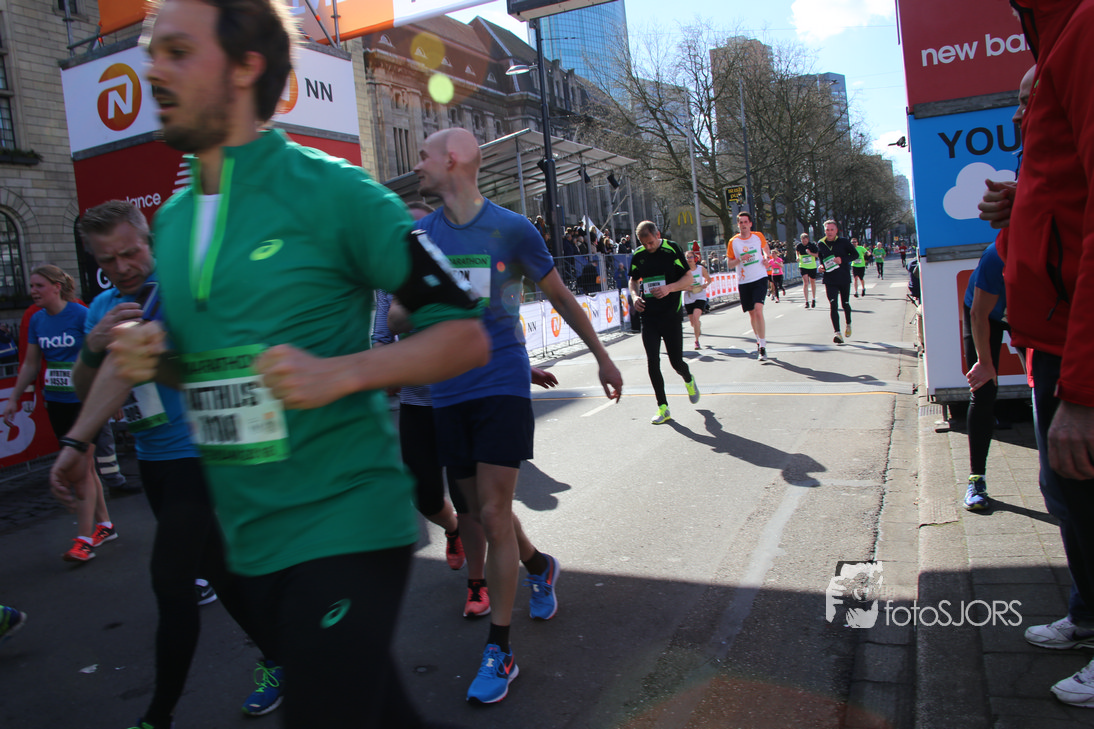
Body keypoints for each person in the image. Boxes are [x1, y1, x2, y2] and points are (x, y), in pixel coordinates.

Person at [84, 1, 491, 725]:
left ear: (245, 67)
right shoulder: (173, 224)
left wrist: (342, 372)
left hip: (343, 523)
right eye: (153, 53)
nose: (153, 70)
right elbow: (211, 373)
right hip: (252, 538)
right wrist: (160, 363)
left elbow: (464, 335)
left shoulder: (335, 192)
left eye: (178, 51)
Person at [50, 200, 285, 728]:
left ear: (148, 241)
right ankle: (281, 656)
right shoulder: (103, 306)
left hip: (202, 455)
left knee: (171, 581)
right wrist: (94, 345)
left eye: (130, 253)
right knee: (217, 570)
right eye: (107, 260)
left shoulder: (183, 291)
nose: (122, 267)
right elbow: (89, 389)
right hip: (153, 459)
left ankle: (158, 716)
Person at [413, 127, 622, 704]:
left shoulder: (511, 229)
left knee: (493, 511)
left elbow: (559, 297)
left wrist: (603, 357)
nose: (417, 165)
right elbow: (406, 314)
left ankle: (500, 651)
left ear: (453, 159)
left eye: (425, 155)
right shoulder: (423, 237)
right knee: (482, 515)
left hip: (501, 385)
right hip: (447, 394)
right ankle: (539, 565)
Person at [993, 10, 1094, 704]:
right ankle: (1088, 615)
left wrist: (1082, 393)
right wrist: (1019, 206)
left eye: (1028, 99)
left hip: (1074, 349)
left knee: (1084, 495)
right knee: (1066, 498)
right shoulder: (1056, 32)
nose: (1018, 110)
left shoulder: (1080, 27)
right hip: (1052, 342)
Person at [2, 264, 114, 563]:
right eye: (31, 286)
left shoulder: (81, 314)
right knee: (85, 469)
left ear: (56, 286)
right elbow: (30, 364)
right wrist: (14, 398)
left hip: (85, 402)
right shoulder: (37, 320)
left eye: (39, 285)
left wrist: (110, 396)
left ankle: (83, 540)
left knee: (79, 468)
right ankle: (105, 525)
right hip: (57, 402)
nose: (33, 291)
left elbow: (102, 355)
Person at [629, 221, 699, 424]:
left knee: (676, 362)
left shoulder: (672, 249)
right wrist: (634, 296)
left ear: (658, 235)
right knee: (653, 361)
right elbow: (633, 280)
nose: (648, 247)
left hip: (670, 315)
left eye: (651, 242)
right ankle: (663, 407)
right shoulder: (639, 255)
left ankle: (688, 379)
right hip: (649, 316)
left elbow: (688, 279)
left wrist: (669, 288)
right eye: (644, 244)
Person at [961, 241, 1008, 511]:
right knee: (984, 388)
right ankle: (976, 479)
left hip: (1029, 313)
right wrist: (986, 363)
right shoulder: (997, 254)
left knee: (1044, 385)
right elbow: (978, 313)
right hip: (984, 313)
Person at [726, 212, 772, 361]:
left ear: (750, 224)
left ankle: (763, 346)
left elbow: (766, 249)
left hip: (760, 277)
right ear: (738, 225)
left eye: (746, 222)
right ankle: (758, 339)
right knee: (752, 313)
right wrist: (740, 259)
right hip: (744, 281)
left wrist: (767, 258)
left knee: (758, 309)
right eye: (741, 222)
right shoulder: (733, 242)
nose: (743, 225)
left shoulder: (758, 236)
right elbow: (730, 264)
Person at [817, 220, 856, 344]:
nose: (829, 232)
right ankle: (837, 333)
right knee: (833, 305)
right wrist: (821, 267)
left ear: (836, 231)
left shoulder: (843, 241)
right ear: (824, 231)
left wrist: (842, 259)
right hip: (830, 279)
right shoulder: (821, 243)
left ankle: (848, 324)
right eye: (827, 230)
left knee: (845, 304)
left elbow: (854, 255)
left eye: (832, 230)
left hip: (843, 277)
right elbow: (821, 258)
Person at [683, 250, 712, 350]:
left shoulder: (700, 269)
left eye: (691, 257)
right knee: (693, 322)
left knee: (696, 317)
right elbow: (680, 285)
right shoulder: (684, 271)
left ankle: (696, 341)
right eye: (687, 257)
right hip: (689, 297)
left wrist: (705, 285)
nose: (689, 259)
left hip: (700, 295)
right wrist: (687, 288)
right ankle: (697, 326)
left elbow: (709, 279)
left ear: (695, 258)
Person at [796, 233, 818, 309]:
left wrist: (810, 253)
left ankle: (813, 299)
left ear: (808, 239)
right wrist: (797, 257)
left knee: (812, 282)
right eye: (802, 240)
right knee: (805, 282)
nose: (804, 242)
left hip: (812, 266)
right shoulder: (799, 246)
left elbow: (817, 255)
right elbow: (797, 252)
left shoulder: (812, 245)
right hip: (803, 266)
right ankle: (806, 301)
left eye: (805, 241)